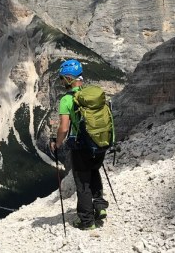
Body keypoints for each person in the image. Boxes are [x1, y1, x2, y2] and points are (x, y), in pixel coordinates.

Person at [51, 59, 109, 230]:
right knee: (94, 172)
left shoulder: (66, 100)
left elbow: (63, 127)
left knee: (82, 182)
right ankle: (100, 207)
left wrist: (57, 143)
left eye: (62, 78)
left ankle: (86, 220)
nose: (61, 82)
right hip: (99, 141)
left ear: (69, 78)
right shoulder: (91, 94)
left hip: (80, 145)